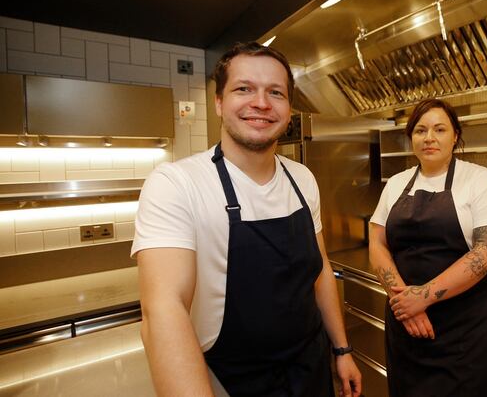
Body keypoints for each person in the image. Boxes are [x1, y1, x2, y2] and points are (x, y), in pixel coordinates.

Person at [132, 41, 361, 397]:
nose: (261, 103)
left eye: (276, 92)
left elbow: (319, 272)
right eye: (244, 89)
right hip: (233, 381)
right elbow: (164, 310)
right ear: (219, 102)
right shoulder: (177, 184)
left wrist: (341, 349)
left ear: (288, 108)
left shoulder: (302, 179)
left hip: (310, 370)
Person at [368, 98, 487, 396]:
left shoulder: (478, 178)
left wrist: (423, 297)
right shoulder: (396, 183)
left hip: (463, 327)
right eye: (420, 130)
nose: (429, 138)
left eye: (439, 129)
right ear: (411, 138)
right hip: (405, 320)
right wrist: (406, 305)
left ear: (455, 135)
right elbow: (377, 242)